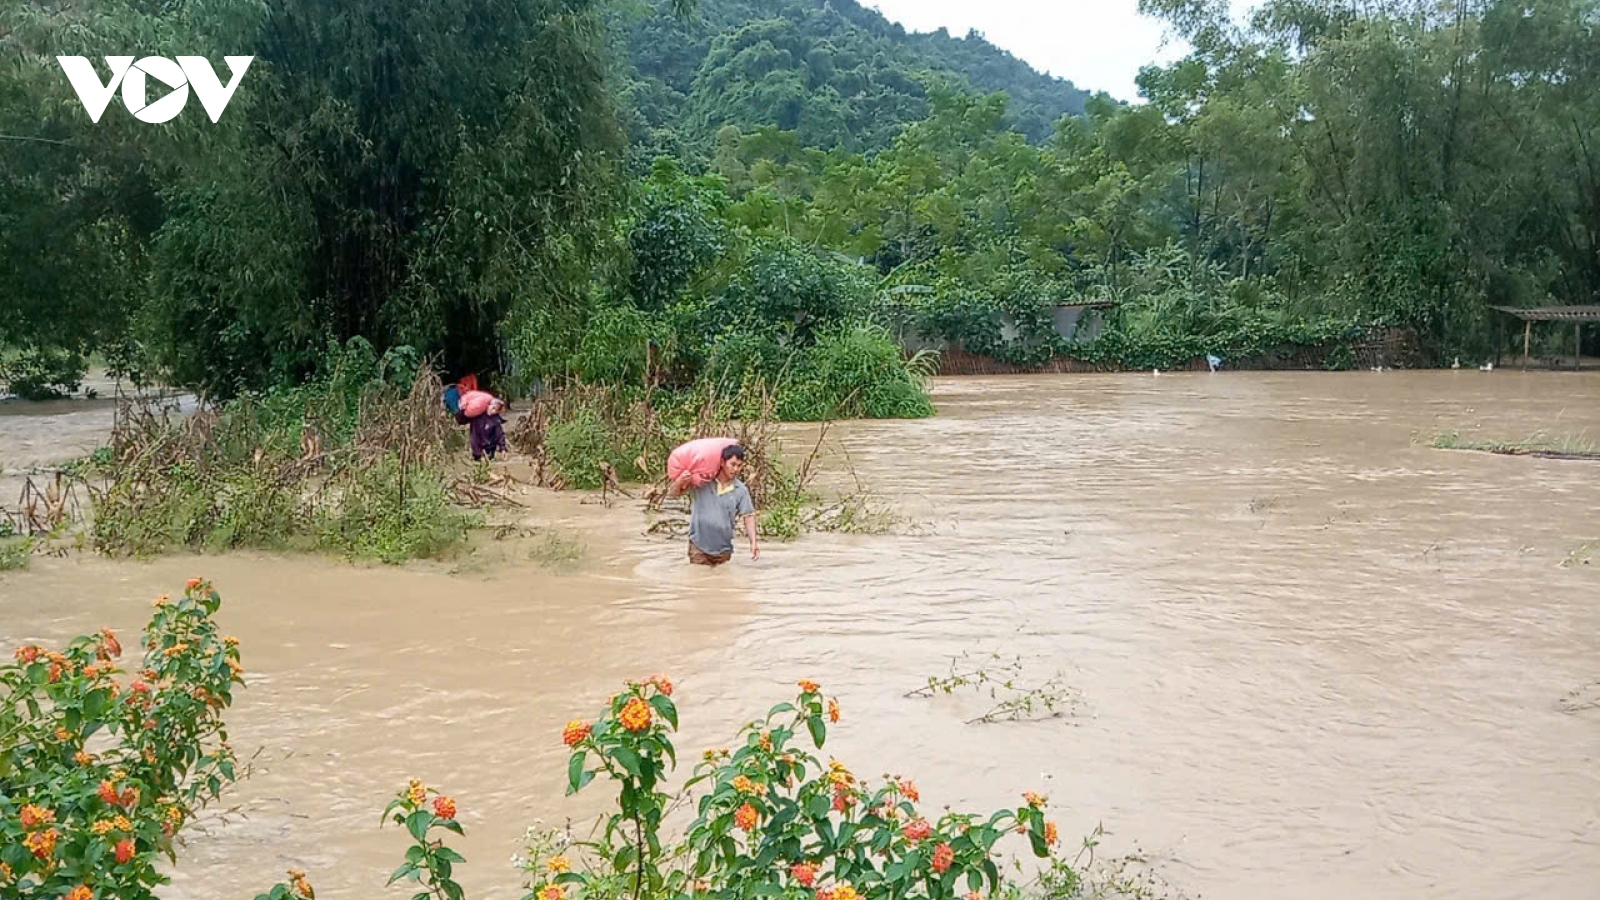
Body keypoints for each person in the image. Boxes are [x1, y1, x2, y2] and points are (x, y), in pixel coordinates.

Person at [668, 444, 759, 566]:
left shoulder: (740, 490)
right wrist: (680, 481)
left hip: (724, 550)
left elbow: (748, 516)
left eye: (739, 465)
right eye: (732, 464)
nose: (736, 469)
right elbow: (673, 494)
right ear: (722, 462)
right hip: (699, 547)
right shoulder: (702, 482)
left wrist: (753, 542)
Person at [469, 397, 507, 461]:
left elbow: (499, 434)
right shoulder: (477, 419)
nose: (494, 411)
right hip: (480, 450)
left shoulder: (495, 418)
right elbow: (474, 438)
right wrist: (479, 455)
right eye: (493, 408)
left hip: (490, 448)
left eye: (496, 410)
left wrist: (503, 449)